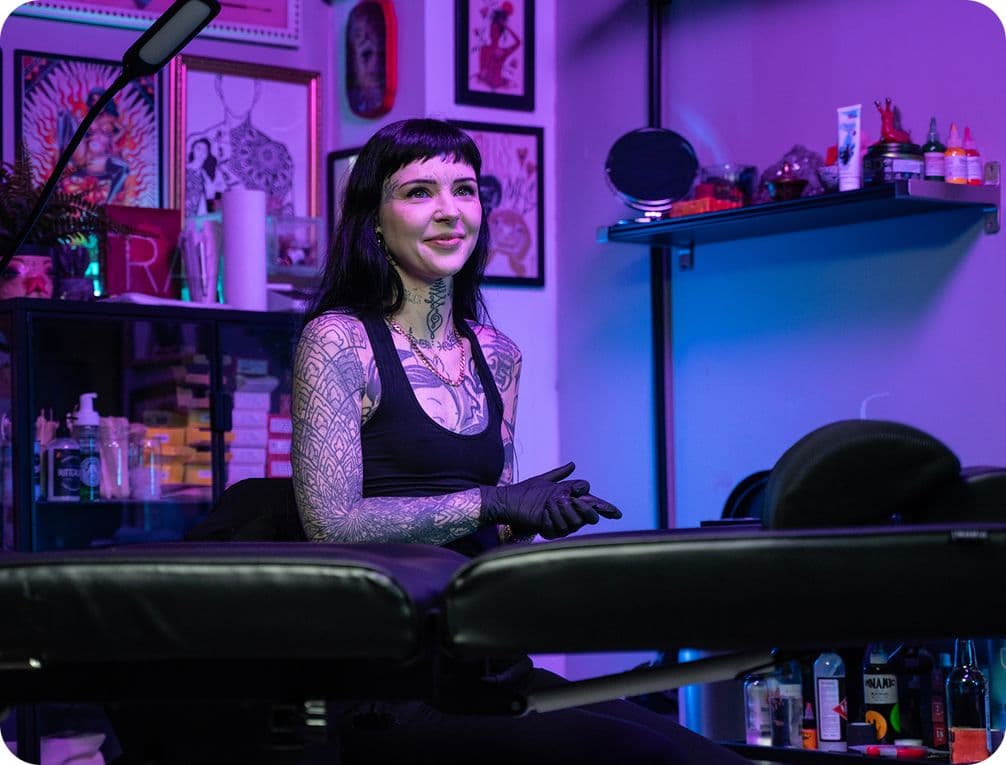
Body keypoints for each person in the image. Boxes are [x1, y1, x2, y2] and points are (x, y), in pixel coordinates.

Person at [291, 118, 752, 764]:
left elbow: (496, 539)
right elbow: (331, 525)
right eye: (419, 192)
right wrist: (492, 502)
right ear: (373, 220)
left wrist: (531, 517)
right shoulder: (338, 341)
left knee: (712, 757)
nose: (450, 210)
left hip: (489, 667)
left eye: (464, 189)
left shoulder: (497, 354)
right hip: (391, 685)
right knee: (644, 757)